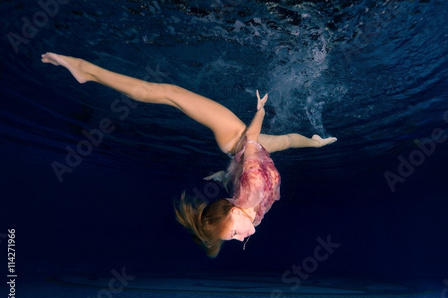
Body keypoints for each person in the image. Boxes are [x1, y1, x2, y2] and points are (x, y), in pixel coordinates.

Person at [41, 52, 337, 257]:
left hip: (237, 137)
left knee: (169, 93)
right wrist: (226, 174)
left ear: (234, 211)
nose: (240, 238)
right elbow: (242, 183)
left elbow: (250, 138)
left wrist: (259, 112)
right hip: (252, 155)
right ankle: (315, 143)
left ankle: (86, 70)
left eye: (233, 234)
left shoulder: (251, 191)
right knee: (286, 141)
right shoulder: (252, 217)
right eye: (233, 237)